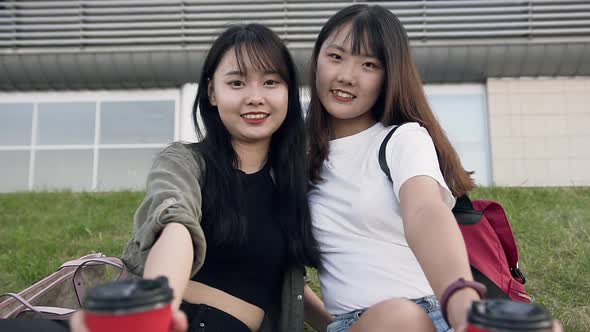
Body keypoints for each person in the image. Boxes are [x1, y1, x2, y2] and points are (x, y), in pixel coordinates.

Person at [0, 23, 320, 332]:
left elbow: (286, 284)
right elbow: (176, 223)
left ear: (288, 92)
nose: (255, 97)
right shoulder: (185, 163)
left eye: (271, 82)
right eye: (236, 83)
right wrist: (157, 314)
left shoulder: (292, 183)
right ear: (212, 92)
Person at [302, 4, 563, 332]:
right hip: (369, 322)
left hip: (441, 310)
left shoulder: (403, 138)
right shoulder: (294, 152)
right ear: (317, 58)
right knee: (400, 317)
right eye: (336, 57)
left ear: (388, 76)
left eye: (368, 64)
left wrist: (461, 300)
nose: (346, 76)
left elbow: (425, 210)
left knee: (545, 328)